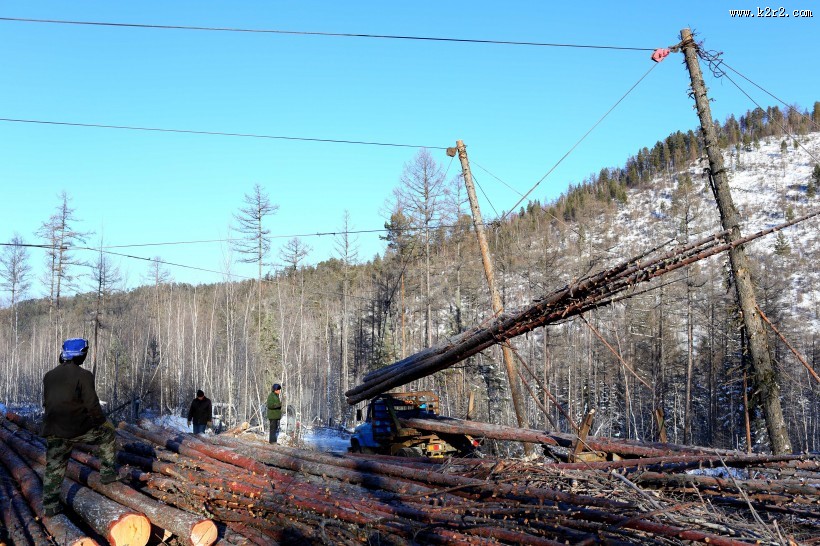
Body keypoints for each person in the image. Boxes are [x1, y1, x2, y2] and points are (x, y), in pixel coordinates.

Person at [42, 338, 118, 517]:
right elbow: (92, 405)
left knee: (54, 466)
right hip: (77, 429)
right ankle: (107, 474)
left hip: (53, 428)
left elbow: (47, 403)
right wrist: (102, 422)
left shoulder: (49, 375)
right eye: (85, 352)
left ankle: (50, 506)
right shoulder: (84, 375)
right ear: (80, 355)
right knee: (108, 434)